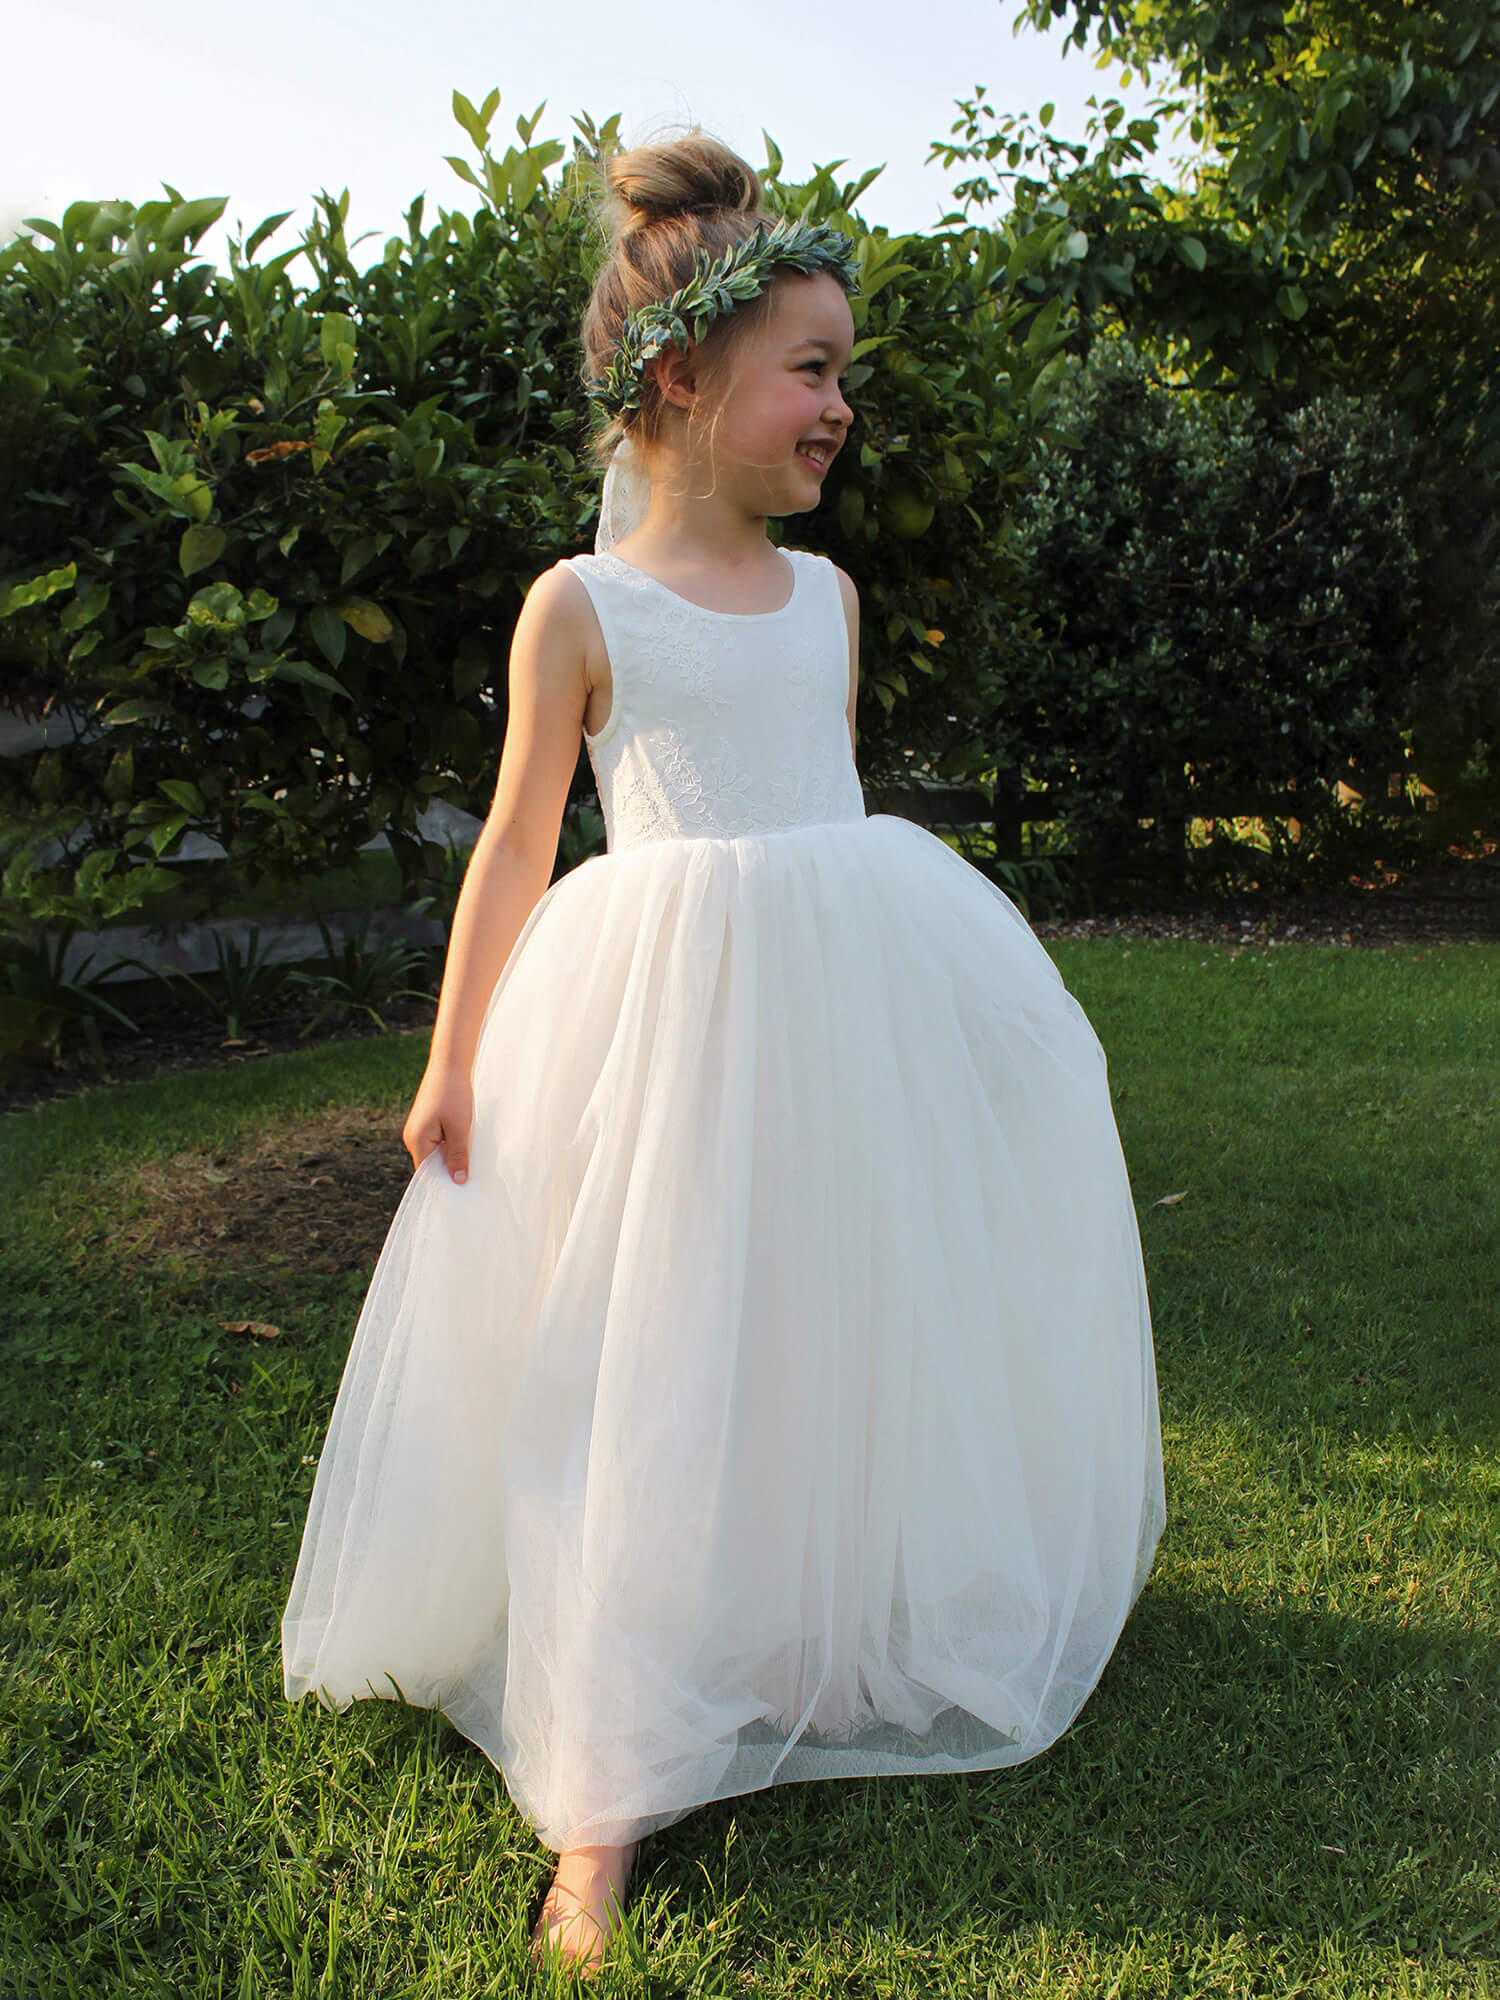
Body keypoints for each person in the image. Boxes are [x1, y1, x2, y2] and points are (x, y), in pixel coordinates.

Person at [280, 127, 1166, 1979]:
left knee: (827, 1315)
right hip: (659, 1019)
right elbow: (525, 840)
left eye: (847, 370)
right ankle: (602, 1785)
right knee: (645, 1353)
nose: (842, 406)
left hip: (844, 1011)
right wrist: (454, 1062)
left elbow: (818, 802)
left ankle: (807, 1615)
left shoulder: (827, 602)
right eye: (813, 369)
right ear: (681, 379)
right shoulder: (581, 609)